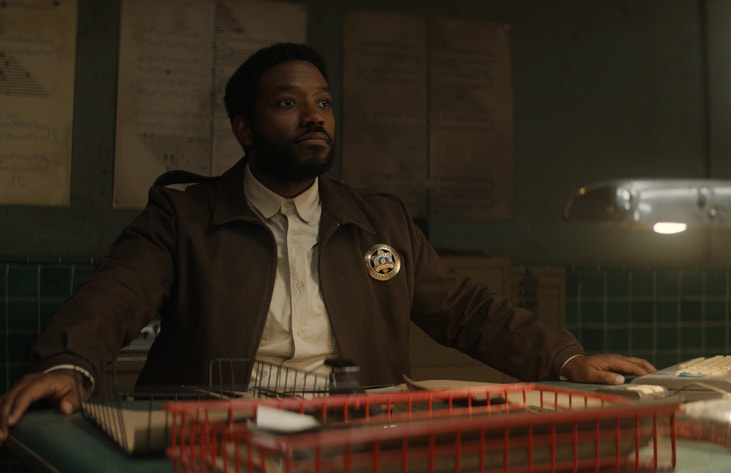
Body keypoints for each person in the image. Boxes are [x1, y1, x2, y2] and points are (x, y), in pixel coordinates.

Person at [0, 42, 655, 443]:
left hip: (357, 440)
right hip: (222, 440)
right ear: (244, 128)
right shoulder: (185, 215)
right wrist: (67, 363)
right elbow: (114, 295)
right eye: (288, 103)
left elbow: (466, 309)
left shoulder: (379, 221)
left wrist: (566, 358)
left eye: (323, 102)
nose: (314, 115)